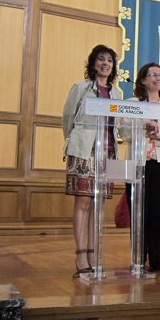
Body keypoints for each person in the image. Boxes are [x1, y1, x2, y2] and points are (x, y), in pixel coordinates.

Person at [62, 44, 122, 278]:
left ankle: (95, 254)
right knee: (83, 203)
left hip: (106, 153)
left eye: (109, 60)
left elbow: (118, 123)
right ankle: (80, 255)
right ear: (93, 63)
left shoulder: (117, 94)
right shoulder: (81, 88)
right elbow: (68, 118)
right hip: (84, 151)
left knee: (99, 206)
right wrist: (73, 143)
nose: (105, 63)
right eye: (101, 59)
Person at [121, 62, 160, 272]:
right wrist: (143, 126)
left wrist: (159, 135)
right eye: (152, 75)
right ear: (142, 80)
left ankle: (156, 257)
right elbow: (123, 133)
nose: (157, 78)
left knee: (159, 211)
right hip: (137, 162)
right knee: (137, 211)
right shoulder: (131, 103)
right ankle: (137, 257)